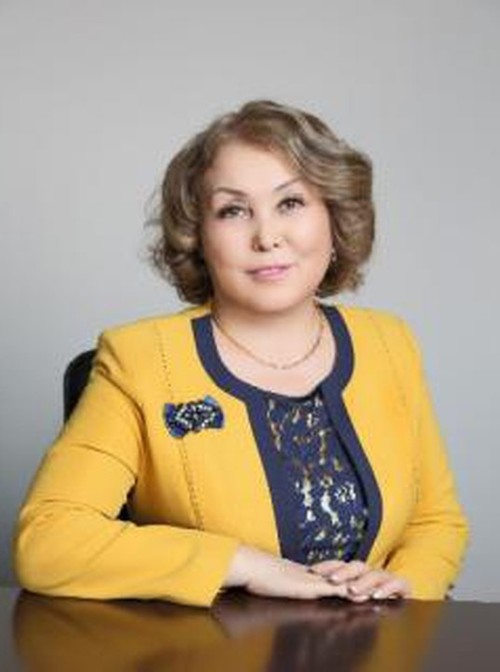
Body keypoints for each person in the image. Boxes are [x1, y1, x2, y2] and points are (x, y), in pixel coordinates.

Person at [13, 100, 468, 607]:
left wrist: (403, 586)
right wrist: (241, 565)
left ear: (335, 217)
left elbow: (435, 521)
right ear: (198, 237)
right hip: (212, 646)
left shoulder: (389, 343)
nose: (267, 237)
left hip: (375, 640)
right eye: (233, 210)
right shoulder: (139, 360)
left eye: (290, 203)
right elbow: (47, 542)